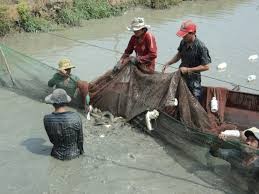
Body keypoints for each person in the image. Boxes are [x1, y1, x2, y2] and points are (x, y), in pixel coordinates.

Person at [162, 20, 211, 101]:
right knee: (178, 97)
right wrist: (169, 63)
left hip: (194, 80)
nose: (183, 37)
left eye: (185, 35)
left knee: (194, 99)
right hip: (181, 75)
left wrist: (188, 70)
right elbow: (179, 55)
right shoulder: (183, 42)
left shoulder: (201, 47)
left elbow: (206, 67)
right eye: (182, 35)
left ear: (193, 33)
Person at [43, 88, 84, 160]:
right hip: (74, 154)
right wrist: (81, 152)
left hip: (56, 154)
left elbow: (52, 140)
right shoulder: (76, 117)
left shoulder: (47, 119)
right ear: (66, 103)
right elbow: (80, 139)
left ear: (52, 103)